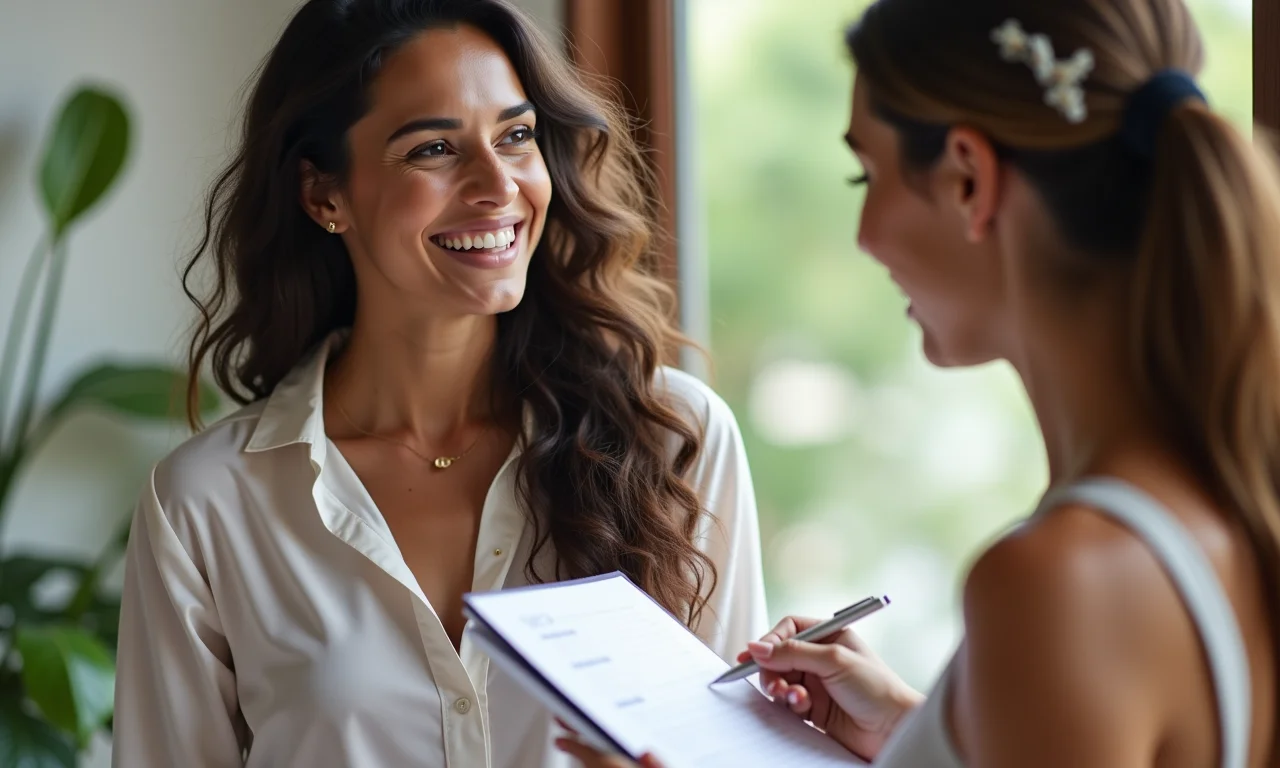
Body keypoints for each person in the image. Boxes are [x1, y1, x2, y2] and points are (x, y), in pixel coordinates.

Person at [558, 0, 1280, 765]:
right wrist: (921, 733)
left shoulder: (1061, 581)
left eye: (865, 173)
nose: (865, 234)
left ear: (969, 178)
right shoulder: (1224, 506)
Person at [111, 1, 768, 766]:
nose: (500, 186)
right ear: (324, 195)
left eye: (517, 136)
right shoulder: (207, 503)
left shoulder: (673, 439)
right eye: (433, 149)